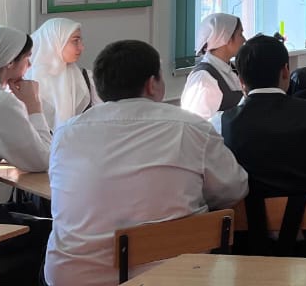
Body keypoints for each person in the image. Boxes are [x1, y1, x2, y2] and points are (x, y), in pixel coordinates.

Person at [45, 39, 248, 286]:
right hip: (171, 276)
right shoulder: (190, 127)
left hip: (72, 276)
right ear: (152, 84)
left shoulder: (66, 133)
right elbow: (234, 189)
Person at [214, 35, 306, 255]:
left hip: (246, 246)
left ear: (240, 80)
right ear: (286, 71)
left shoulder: (222, 122)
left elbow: (221, 186)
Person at [0, 26, 53, 286]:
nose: (30, 65)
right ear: (10, 62)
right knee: (52, 231)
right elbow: (41, 160)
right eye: (27, 58)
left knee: (28, 213)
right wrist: (34, 106)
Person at [26, 17, 97, 130]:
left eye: (80, 41)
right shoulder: (25, 82)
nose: (81, 47)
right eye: (75, 41)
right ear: (55, 42)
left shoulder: (86, 78)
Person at [181, 12, 246, 119]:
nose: (244, 40)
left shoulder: (231, 68)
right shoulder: (203, 80)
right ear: (226, 38)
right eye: (240, 34)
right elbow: (196, 123)